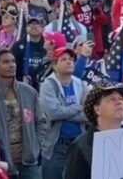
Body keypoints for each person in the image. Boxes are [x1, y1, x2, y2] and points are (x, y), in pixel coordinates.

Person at [0, 48, 47, 179]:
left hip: (28, 161)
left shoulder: (29, 92)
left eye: (13, 61)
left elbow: (41, 122)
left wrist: (35, 146)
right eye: (5, 62)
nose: (11, 65)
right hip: (1, 162)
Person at [39, 47, 87, 179]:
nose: (69, 62)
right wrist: (78, 107)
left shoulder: (81, 84)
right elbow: (54, 113)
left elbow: (88, 114)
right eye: (64, 59)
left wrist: (66, 112)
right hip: (56, 145)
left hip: (79, 144)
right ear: (55, 65)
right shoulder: (48, 85)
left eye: (71, 59)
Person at [64, 82, 123, 179]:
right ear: (97, 109)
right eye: (112, 99)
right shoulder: (81, 146)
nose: (119, 102)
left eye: (120, 99)